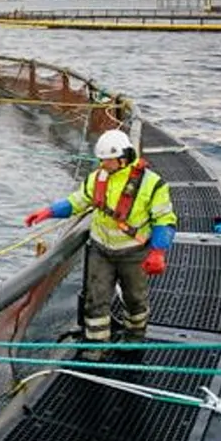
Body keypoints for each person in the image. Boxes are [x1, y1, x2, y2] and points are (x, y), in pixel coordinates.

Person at [25, 129, 177, 353]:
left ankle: (134, 340)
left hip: (133, 253)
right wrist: (49, 212)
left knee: (135, 300)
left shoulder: (152, 184)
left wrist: (158, 251)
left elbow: (165, 219)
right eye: (102, 160)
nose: (103, 165)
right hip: (101, 251)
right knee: (95, 301)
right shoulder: (97, 178)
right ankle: (96, 349)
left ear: (124, 158)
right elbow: (77, 201)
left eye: (108, 160)